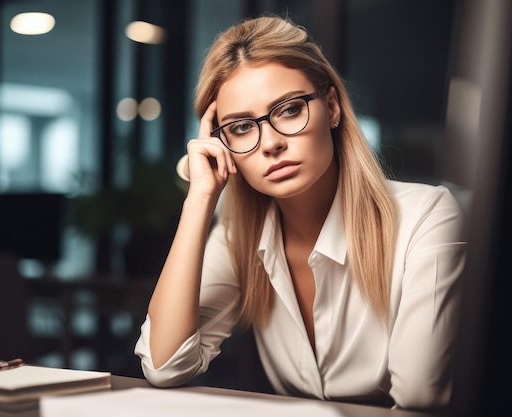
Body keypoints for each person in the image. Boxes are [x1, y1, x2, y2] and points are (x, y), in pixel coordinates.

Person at [134, 15, 466, 411]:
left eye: (289, 110)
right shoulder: (239, 237)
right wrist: (200, 198)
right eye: (240, 127)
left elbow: (421, 396)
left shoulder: (426, 217)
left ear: (332, 106)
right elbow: (164, 365)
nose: (270, 143)